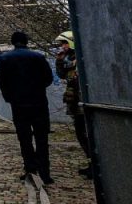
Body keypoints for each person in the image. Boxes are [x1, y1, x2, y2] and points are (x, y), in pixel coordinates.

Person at [0, 31, 54, 184]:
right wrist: (37, 89)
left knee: (25, 139)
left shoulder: (5, 59)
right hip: (39, 104)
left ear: (13, 42)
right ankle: (45, 173)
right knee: (42, 138)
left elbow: (2, 82)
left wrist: (10, 98)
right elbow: (48, 79)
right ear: (26, 42)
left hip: (19, 105)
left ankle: (30, 169)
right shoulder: (39, 57)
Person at [54, 31, 91, 179]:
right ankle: (90, 162)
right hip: (74, 101)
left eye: (64, 43)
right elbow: (62, 74)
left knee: (86, 133)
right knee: (81, 133)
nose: (62, 47)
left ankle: (94, 164)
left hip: (83, 101)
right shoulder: (67, 60)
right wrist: (59, 60)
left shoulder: (81, 59)